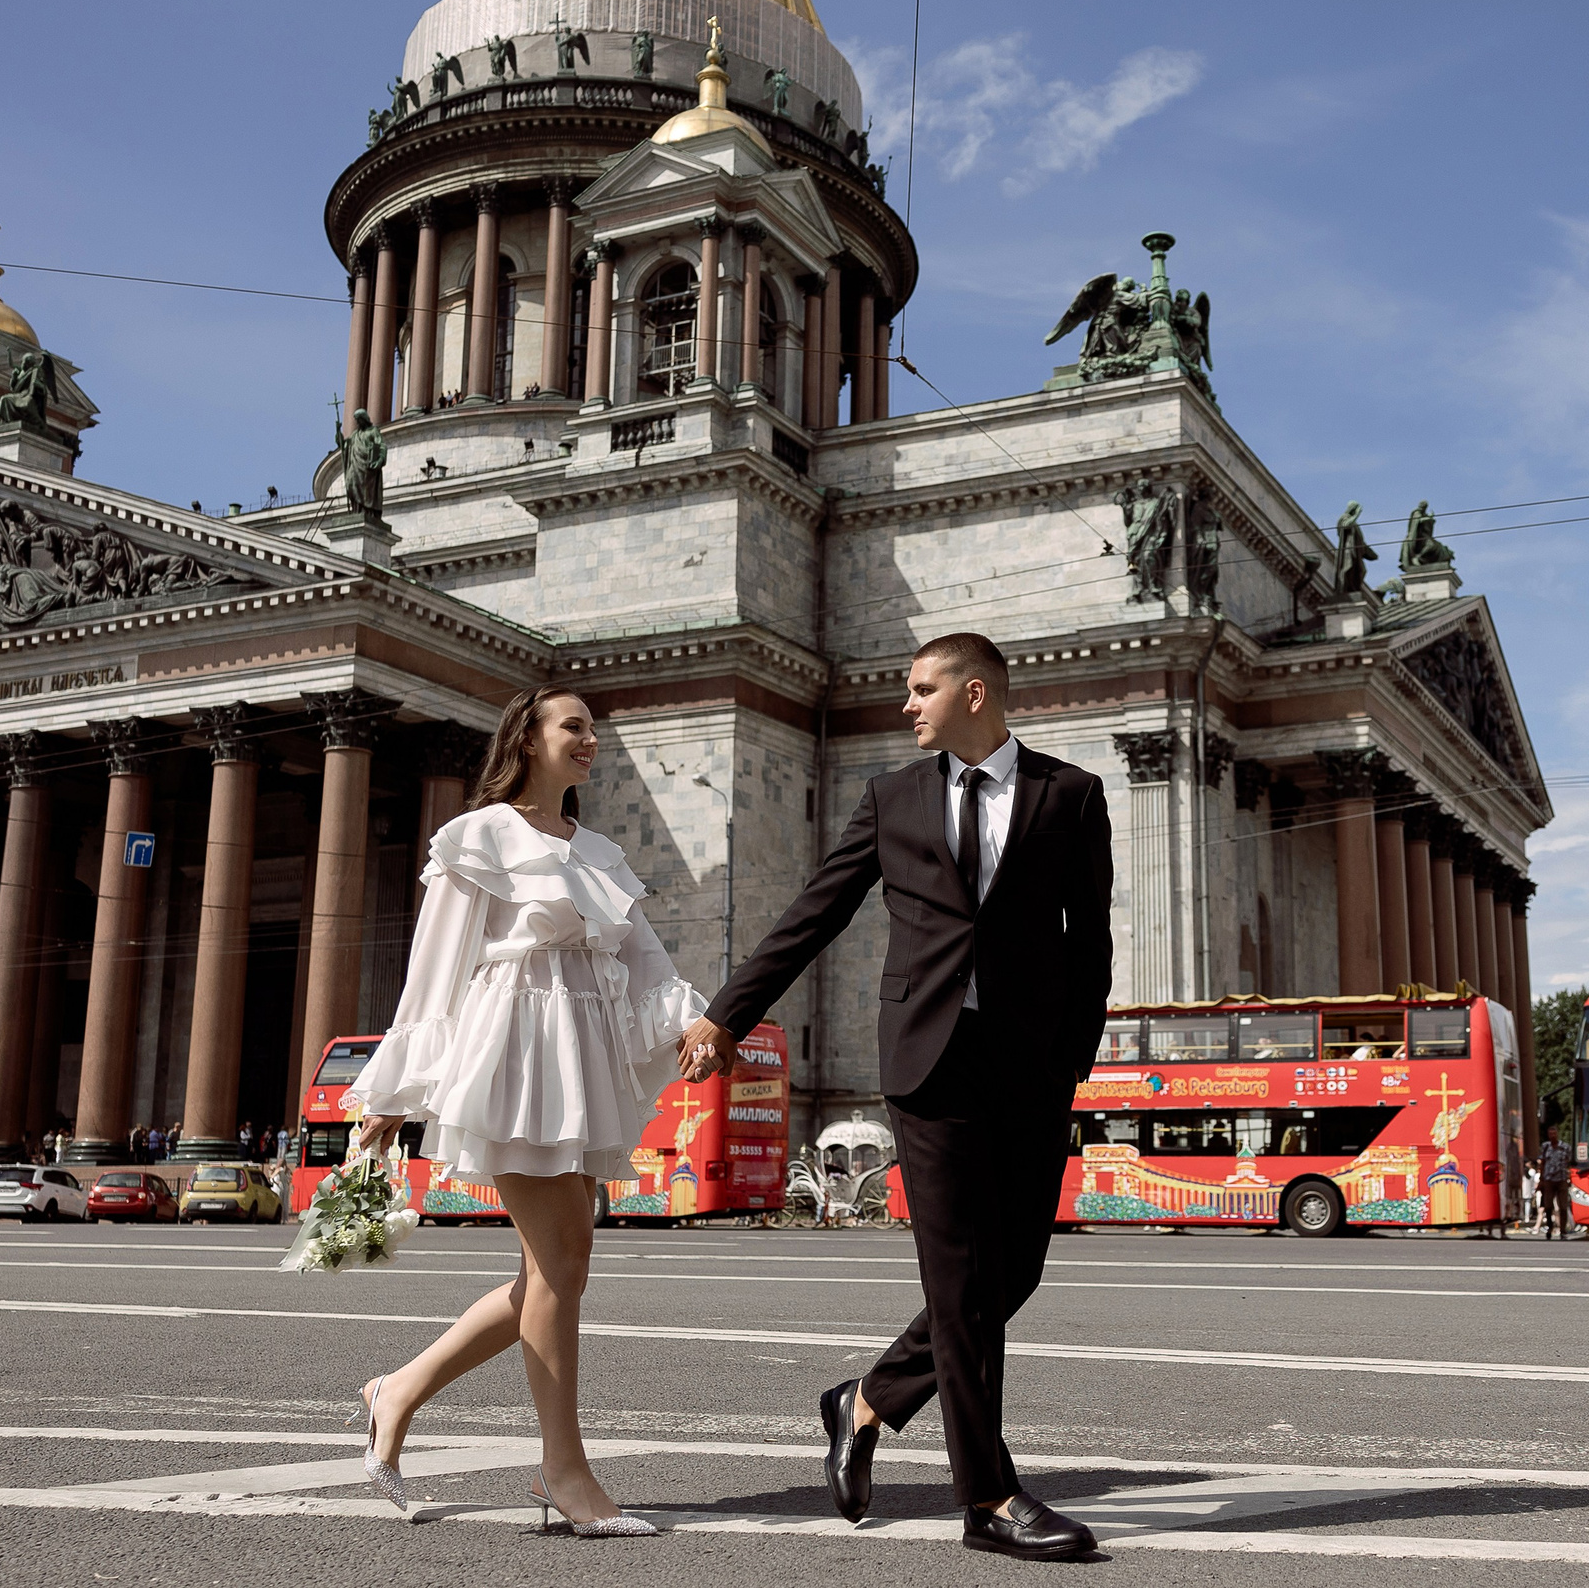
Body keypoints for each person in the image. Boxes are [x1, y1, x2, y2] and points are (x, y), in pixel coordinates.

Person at [675, 632, 1114, 1561]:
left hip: (1028, 1068)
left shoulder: (1070, 795)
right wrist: (726, 1015)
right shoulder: (893, 797)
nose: (907, 705)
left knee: (1012, 1275)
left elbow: (1092, 942)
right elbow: (816, 911)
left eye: (922, 689)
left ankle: (864, 1399)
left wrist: (1070, 1057)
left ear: (977, 692)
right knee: (958, 1282)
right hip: (931, 1063)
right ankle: (987, 1498)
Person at [345, 686, 705, 1538]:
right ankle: (564, 1472)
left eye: (592, 729)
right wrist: (393, 1095)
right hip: (512, 1055)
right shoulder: (479, 836)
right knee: (565, 1260)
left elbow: (647, 959)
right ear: (529, 738)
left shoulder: (603, 851)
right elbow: (433, 972)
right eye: (573, 726)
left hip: (584, 1061)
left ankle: (396, 1390)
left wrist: (693, 1019)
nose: (589, 740)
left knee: (556, 1272)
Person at [1537, 1124, 1574, 1239]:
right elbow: (1542, 1163)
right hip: (1548, 1180)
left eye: (1554, 1133)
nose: (1552, 1136)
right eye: (1550, 1134)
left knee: (1563, 1206)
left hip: (1561, 1179)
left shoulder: (1565, 1147)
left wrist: (1569, 1176)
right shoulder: (1545, 1147)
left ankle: (1563, 1230)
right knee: (1548, 1206)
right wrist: (1541, 1179)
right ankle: (1550, 1228)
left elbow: (1570, 1162)